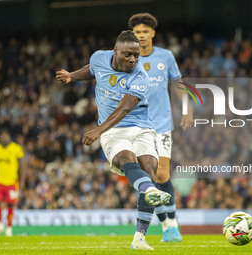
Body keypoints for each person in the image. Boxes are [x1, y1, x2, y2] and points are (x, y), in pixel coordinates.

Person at [56, 30, 171, 250]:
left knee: (149, 168)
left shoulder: (140, 77)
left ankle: (139, 238)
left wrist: (98, 130)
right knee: (124, 159)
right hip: (114, 130)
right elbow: (92, 71)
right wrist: (72, 75)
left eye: (136, 56)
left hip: (140, 126)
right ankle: (150, 190)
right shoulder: (99, 57)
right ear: (115, 51)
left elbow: (124, 108)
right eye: (128, 55)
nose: (133, 60)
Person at [128, 13, 193, 242]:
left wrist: (187, 109)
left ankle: (172, 226)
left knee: (163, 174)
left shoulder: (166, 56)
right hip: (138, 125)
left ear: (152, 33)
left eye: (145, 31)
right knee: (149, 176)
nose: (141, 36)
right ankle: (168, 227)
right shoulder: (128, 59)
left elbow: (178, 83)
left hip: (163, 124)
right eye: (137, 32)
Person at [0, 130, 24, 236]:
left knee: (11, 204)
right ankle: (0, 224)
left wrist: (22, 180)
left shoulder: (16, 148)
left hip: (12, 182)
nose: (4, 138)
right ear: (0, 138)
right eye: (2, 136)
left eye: (6, 136)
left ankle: (9, 227)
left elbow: (22, 165)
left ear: (9, 137)